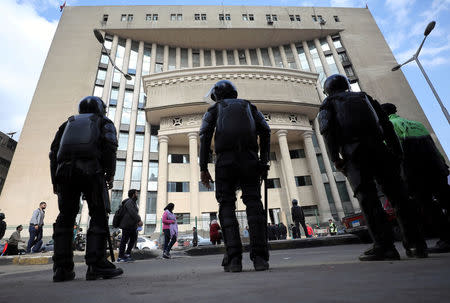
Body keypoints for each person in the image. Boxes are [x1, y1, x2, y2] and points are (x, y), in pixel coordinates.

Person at [318, 74, 427, 261]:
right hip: (380, 149)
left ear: (327, 90)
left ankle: (384, 246)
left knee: (368, 200)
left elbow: (327, 132)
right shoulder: (365, 97)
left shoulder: (328, 104)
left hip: (354, 153)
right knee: (399, 197)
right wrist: (395, 151)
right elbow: (386, 125)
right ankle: (416, 245)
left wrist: (335, 158)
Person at [200, 80, 271, 272]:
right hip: (250, 159)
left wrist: (203, 167)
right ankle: (260, 258)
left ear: (217, 95)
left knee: (226, 205)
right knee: (254, 204)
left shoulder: (215, 109)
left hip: (225, 161)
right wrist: (264, 160)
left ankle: (234, 260)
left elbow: (204, 135)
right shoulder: (249, 106)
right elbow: (265, 130)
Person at [49, 96, 123, 282]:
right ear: (100, 109)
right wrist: (110, 174)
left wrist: (55, 182)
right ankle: (96, 264)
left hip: (64, 172)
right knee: (98, 215)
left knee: (65, 217)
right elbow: (110, 147)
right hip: (91, 170)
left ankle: (61, 268)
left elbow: (53, 153)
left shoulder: (67, 123)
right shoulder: (103, 122)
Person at [381, 103, 450, 254]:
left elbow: (390, 153)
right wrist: (443, 165)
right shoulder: (418, 125)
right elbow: (433, 147)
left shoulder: (389, 126)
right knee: (446, 200)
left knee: (428, 206)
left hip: (415, 172)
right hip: (436, 168)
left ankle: (446, 239)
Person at [118, 189, 143, 262]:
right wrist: (139, 220)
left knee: (133, 239)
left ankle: (127, 254)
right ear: (133, 195)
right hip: (127, 225)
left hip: (132, 225)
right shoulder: (129, 202)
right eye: (136, 193)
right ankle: (120, 257)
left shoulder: (133, 202)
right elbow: (132, 212)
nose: (137, 195)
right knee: (124, 240)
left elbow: (134, 213)